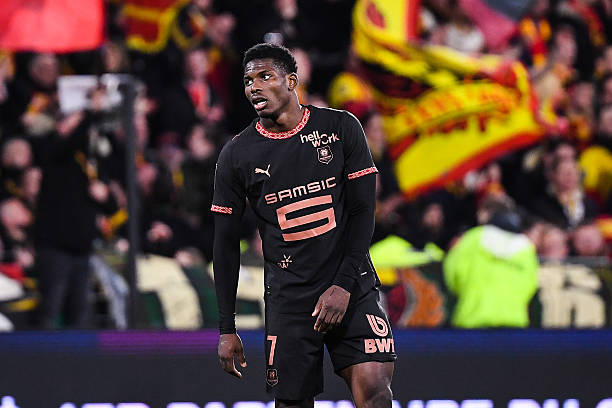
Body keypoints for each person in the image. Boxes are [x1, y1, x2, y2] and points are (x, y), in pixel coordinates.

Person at [211, 43, 395, 408]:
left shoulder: (340, 128)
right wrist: (226, 328)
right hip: (291, 299)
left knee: (374, 389)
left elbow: (363, 212)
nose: (254, 87)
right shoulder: (236, 155)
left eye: (265, 76)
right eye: (248, 81)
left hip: (351, 285)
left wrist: (343, 285)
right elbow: (225, 244)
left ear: (292, 81)